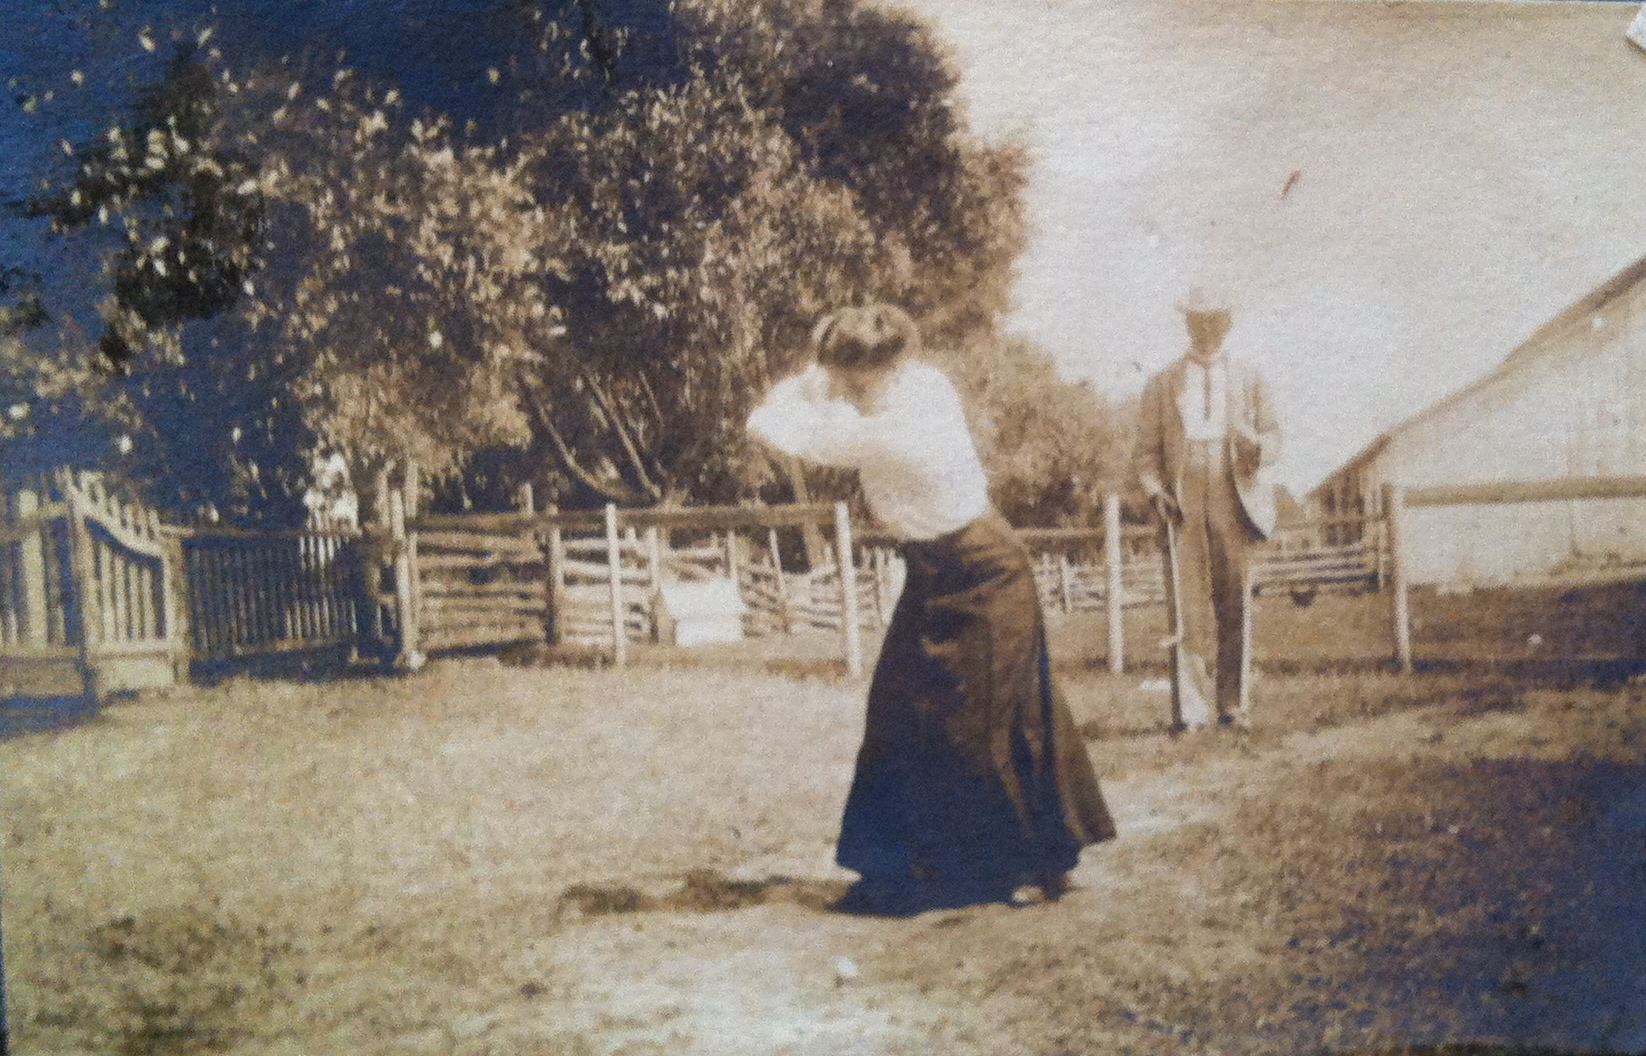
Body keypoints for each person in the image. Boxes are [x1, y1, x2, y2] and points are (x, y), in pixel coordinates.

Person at [746, 303, 1116, 912]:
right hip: (932, 571)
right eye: (843, 378)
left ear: (891, 369)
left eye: (857, 382)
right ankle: (896, 868)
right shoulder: (904, 383)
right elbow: (822, 383)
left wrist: (794, 391)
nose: (845, 391)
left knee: (987, 718)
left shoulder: (894, 428)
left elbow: (777, 427)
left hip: (986, 570)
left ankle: (1028, 865)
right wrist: (825, 373)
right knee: (896, 709)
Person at [1132, 287, 1281, 731]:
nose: (1207, 329)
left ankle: (1232, 707)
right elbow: (1144, 454)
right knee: (1187, 606)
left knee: (1235, 601)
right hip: (1183, 496)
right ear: (1187, 324)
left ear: (1228, 323)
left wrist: (1258, 448)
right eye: (1198, 320)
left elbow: (1274, 436)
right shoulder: (1162, 383)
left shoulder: (1251, 377)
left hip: (1233, 490)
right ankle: (1191, 713)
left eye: (1215, 320)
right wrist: (1157, 491)